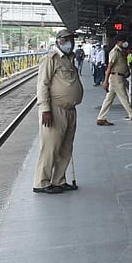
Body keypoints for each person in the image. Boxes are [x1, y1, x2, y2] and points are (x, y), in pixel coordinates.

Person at [33, 29, 84, 194]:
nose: (71, 42)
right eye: (67, 39)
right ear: (59, 41)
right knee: (50, 147)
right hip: (55, 110)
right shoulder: (50, 59)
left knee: (66, 147)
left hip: (70, 110)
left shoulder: (70, 59)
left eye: (72, 39)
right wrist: (45, 110)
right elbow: (42, 86)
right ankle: (41, 182)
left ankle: (59, 180)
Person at [96, 34, 132, 126]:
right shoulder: (115, 52)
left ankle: (101, 118)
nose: (125, 43)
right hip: (116, 77)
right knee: (124, 97)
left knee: (109, 99)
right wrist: (105, 80)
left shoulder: (121, 51)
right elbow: (110, 67)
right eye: (123, 41)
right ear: (119, 42)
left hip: (119, 77)